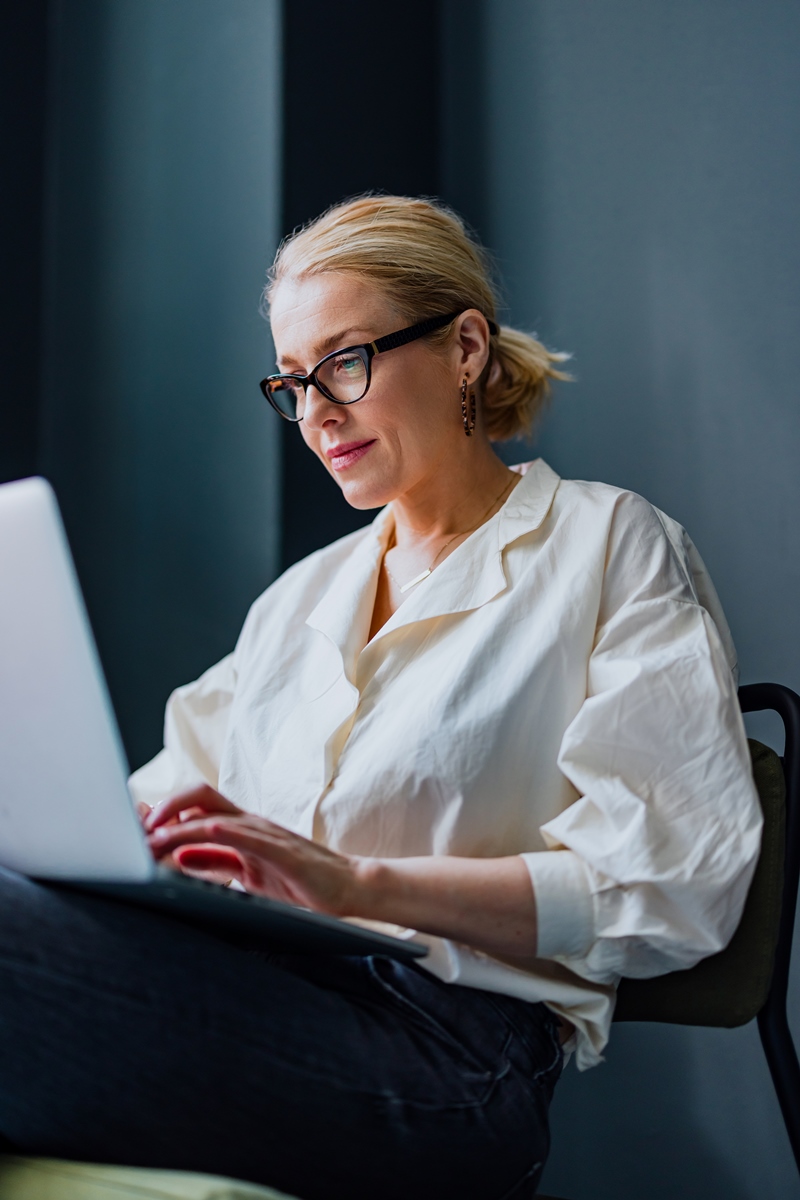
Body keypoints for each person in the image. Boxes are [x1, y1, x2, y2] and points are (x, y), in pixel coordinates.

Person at [0, 195, 761, 1200]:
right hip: (257, 991)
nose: (315, 410)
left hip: (450, 1059)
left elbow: (675, 883)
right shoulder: (300, 601)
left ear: (464, 348)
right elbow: (160, 803)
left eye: (345, 361)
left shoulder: (607, 546)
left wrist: (360, 885)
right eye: (293, 381)